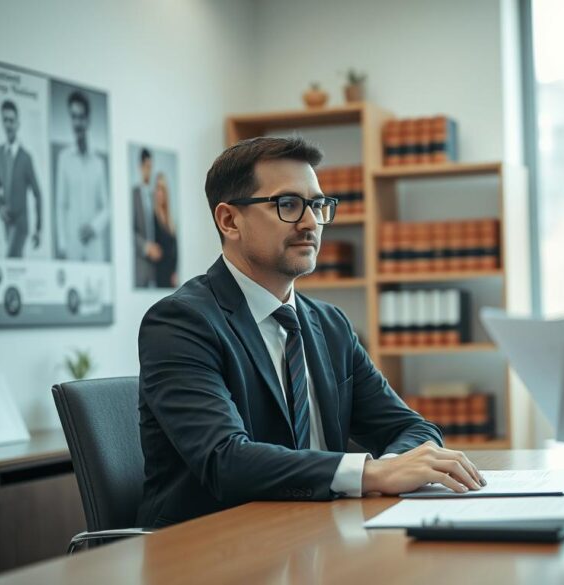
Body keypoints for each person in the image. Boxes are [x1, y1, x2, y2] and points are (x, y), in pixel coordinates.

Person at [137, 136, 486, 528]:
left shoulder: (330, 325)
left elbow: (412, 428)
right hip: (215, 548)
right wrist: (371, 474)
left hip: (320, 534)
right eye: (288, 205)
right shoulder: (180, 322)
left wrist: (391, 469)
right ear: (229, 220)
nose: (309, 223)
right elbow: (226, 461)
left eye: (317, 205)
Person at [54, 90, 109, 262]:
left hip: (94, 246)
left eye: (81, 117)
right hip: (72, 245)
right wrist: (62, 244)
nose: (77, 123)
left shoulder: (98, 163)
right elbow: (61, 205)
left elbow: (107, 207)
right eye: (73, 117)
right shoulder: (64, 159)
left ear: (88, 120)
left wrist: (93, 227)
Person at [0, 100, 42, 258]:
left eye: (11, 120)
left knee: (10, 258)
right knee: (15, 265)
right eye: (5, 120)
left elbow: (37, 193)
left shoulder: (26, 158)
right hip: (6, 223)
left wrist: (38, 228)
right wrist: (0, 207)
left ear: (18, 123)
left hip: (21, 223)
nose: (8, 125)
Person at [132, 147, 160, 287]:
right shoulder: (133, 195)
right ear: (140, 167)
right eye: (146, 166)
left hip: (155, 266)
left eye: (151, 167)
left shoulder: (154, 196)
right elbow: (129, 231)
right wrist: (146, 247)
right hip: (140, 264)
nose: (149, 171)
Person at [151, 172, 178, 288]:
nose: (160, 193)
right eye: (157, 189)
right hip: (157, 272)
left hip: (170, 274)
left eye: (162, 189)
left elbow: (175, 248)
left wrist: (174, 272)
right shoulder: (152, 216)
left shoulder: (170, 219)